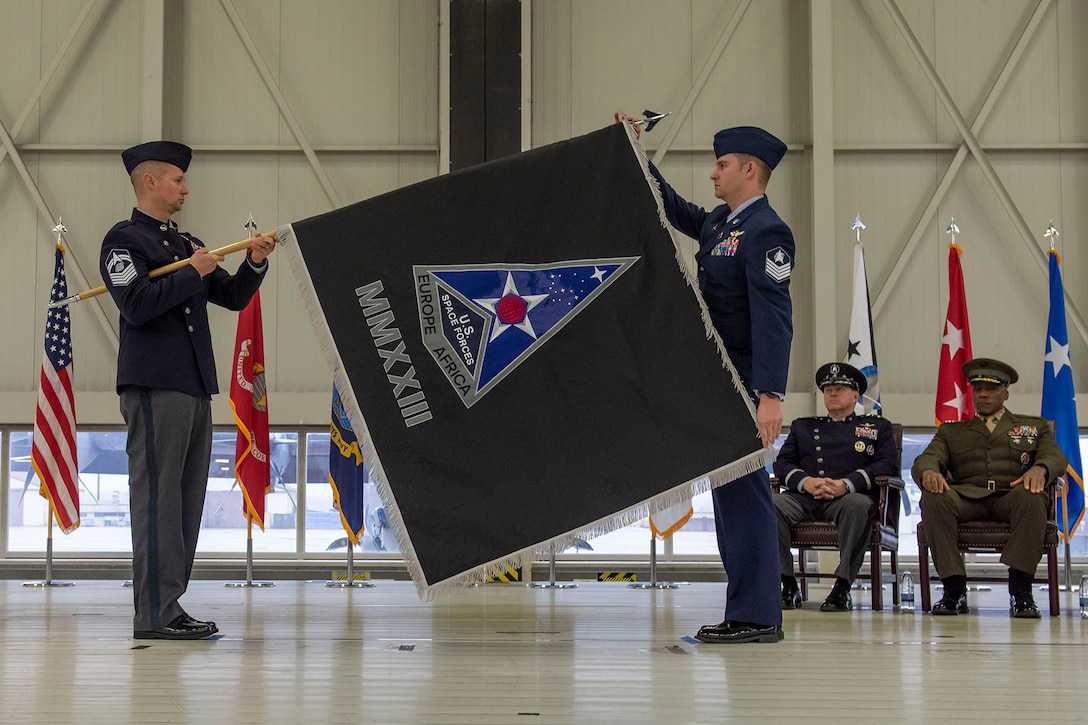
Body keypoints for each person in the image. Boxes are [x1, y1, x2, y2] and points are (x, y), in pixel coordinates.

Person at [618, 116, 794, 643]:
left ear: (750, 169)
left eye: (722, 165)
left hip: (744, 382)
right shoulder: (722, 224)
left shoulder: (768, 232)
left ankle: (759, 615)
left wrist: (769, 395)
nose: (713, 174)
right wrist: (636, 153)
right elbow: (675, 210)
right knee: (730, 497)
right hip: (718, 380)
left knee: (745, 497)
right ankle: (747, 609)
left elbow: (773, 313)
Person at [100, 141, 276, 639]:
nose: (185, 187)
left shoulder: (184, 245)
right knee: (157, 499)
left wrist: (255, 264)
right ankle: (153, 614)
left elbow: (231, 295)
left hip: (193, 385)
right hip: (155, 385)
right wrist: (191, 274)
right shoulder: (123, 242)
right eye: (177, 179)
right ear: (149, 181)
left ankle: (169, 605)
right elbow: (136, 303)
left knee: (184, 500)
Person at [912, 357, 1067, 618]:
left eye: (991, 389)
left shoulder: (1033, 427)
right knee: (934, 498)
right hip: (967, 499)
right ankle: (953, 589)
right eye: (978, 388)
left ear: (1005, 393)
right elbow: (927, 458)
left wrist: (1040, 469)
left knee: (1032, 495)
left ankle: (1021, 591)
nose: (983, 394)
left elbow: (1056, 457)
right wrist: (929, 471)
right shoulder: (952, 432)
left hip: (1011, 497)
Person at [773, 362, 899, 612]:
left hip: (847, 498)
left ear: (856, 396)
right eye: (828, 389)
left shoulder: (876, 427)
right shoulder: (803, 426)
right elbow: (783, 463)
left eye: (839, 388)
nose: (832, 393)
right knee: (771, 504)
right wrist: (806, 482)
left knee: (859, 506)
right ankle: (787, 583)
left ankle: (842, 586)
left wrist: (846, 484)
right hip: (805, 497)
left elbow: (887, 464)